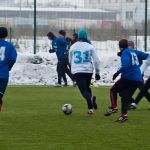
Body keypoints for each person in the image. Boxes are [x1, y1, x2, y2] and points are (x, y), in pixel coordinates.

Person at [105, 39, 149, 123]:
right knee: (125, 96)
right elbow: (147, 56)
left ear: (120, 47)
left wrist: (117, 73)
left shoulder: (125, 53)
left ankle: (114, 107)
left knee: (112, 90)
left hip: (128, 77)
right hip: (138, 78)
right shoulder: (133, 52)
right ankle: (124, 115)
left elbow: (126, 65)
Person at [69, 29, 100, 114]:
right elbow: (96, 60)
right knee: (87, 88)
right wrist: (97, 72)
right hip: (88, 71)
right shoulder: (90, 46)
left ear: (78, 37)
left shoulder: (73, 46)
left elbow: (70, 60)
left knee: (84, 91)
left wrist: (72, 69)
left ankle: (91, 99)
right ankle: (90, 108)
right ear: (86, 36)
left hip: (78, 71)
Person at [0, 27, 17, 111]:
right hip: (3, 75)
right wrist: (8, 67)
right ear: (6, 35)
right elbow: (13, 59)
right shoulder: (9, 45)